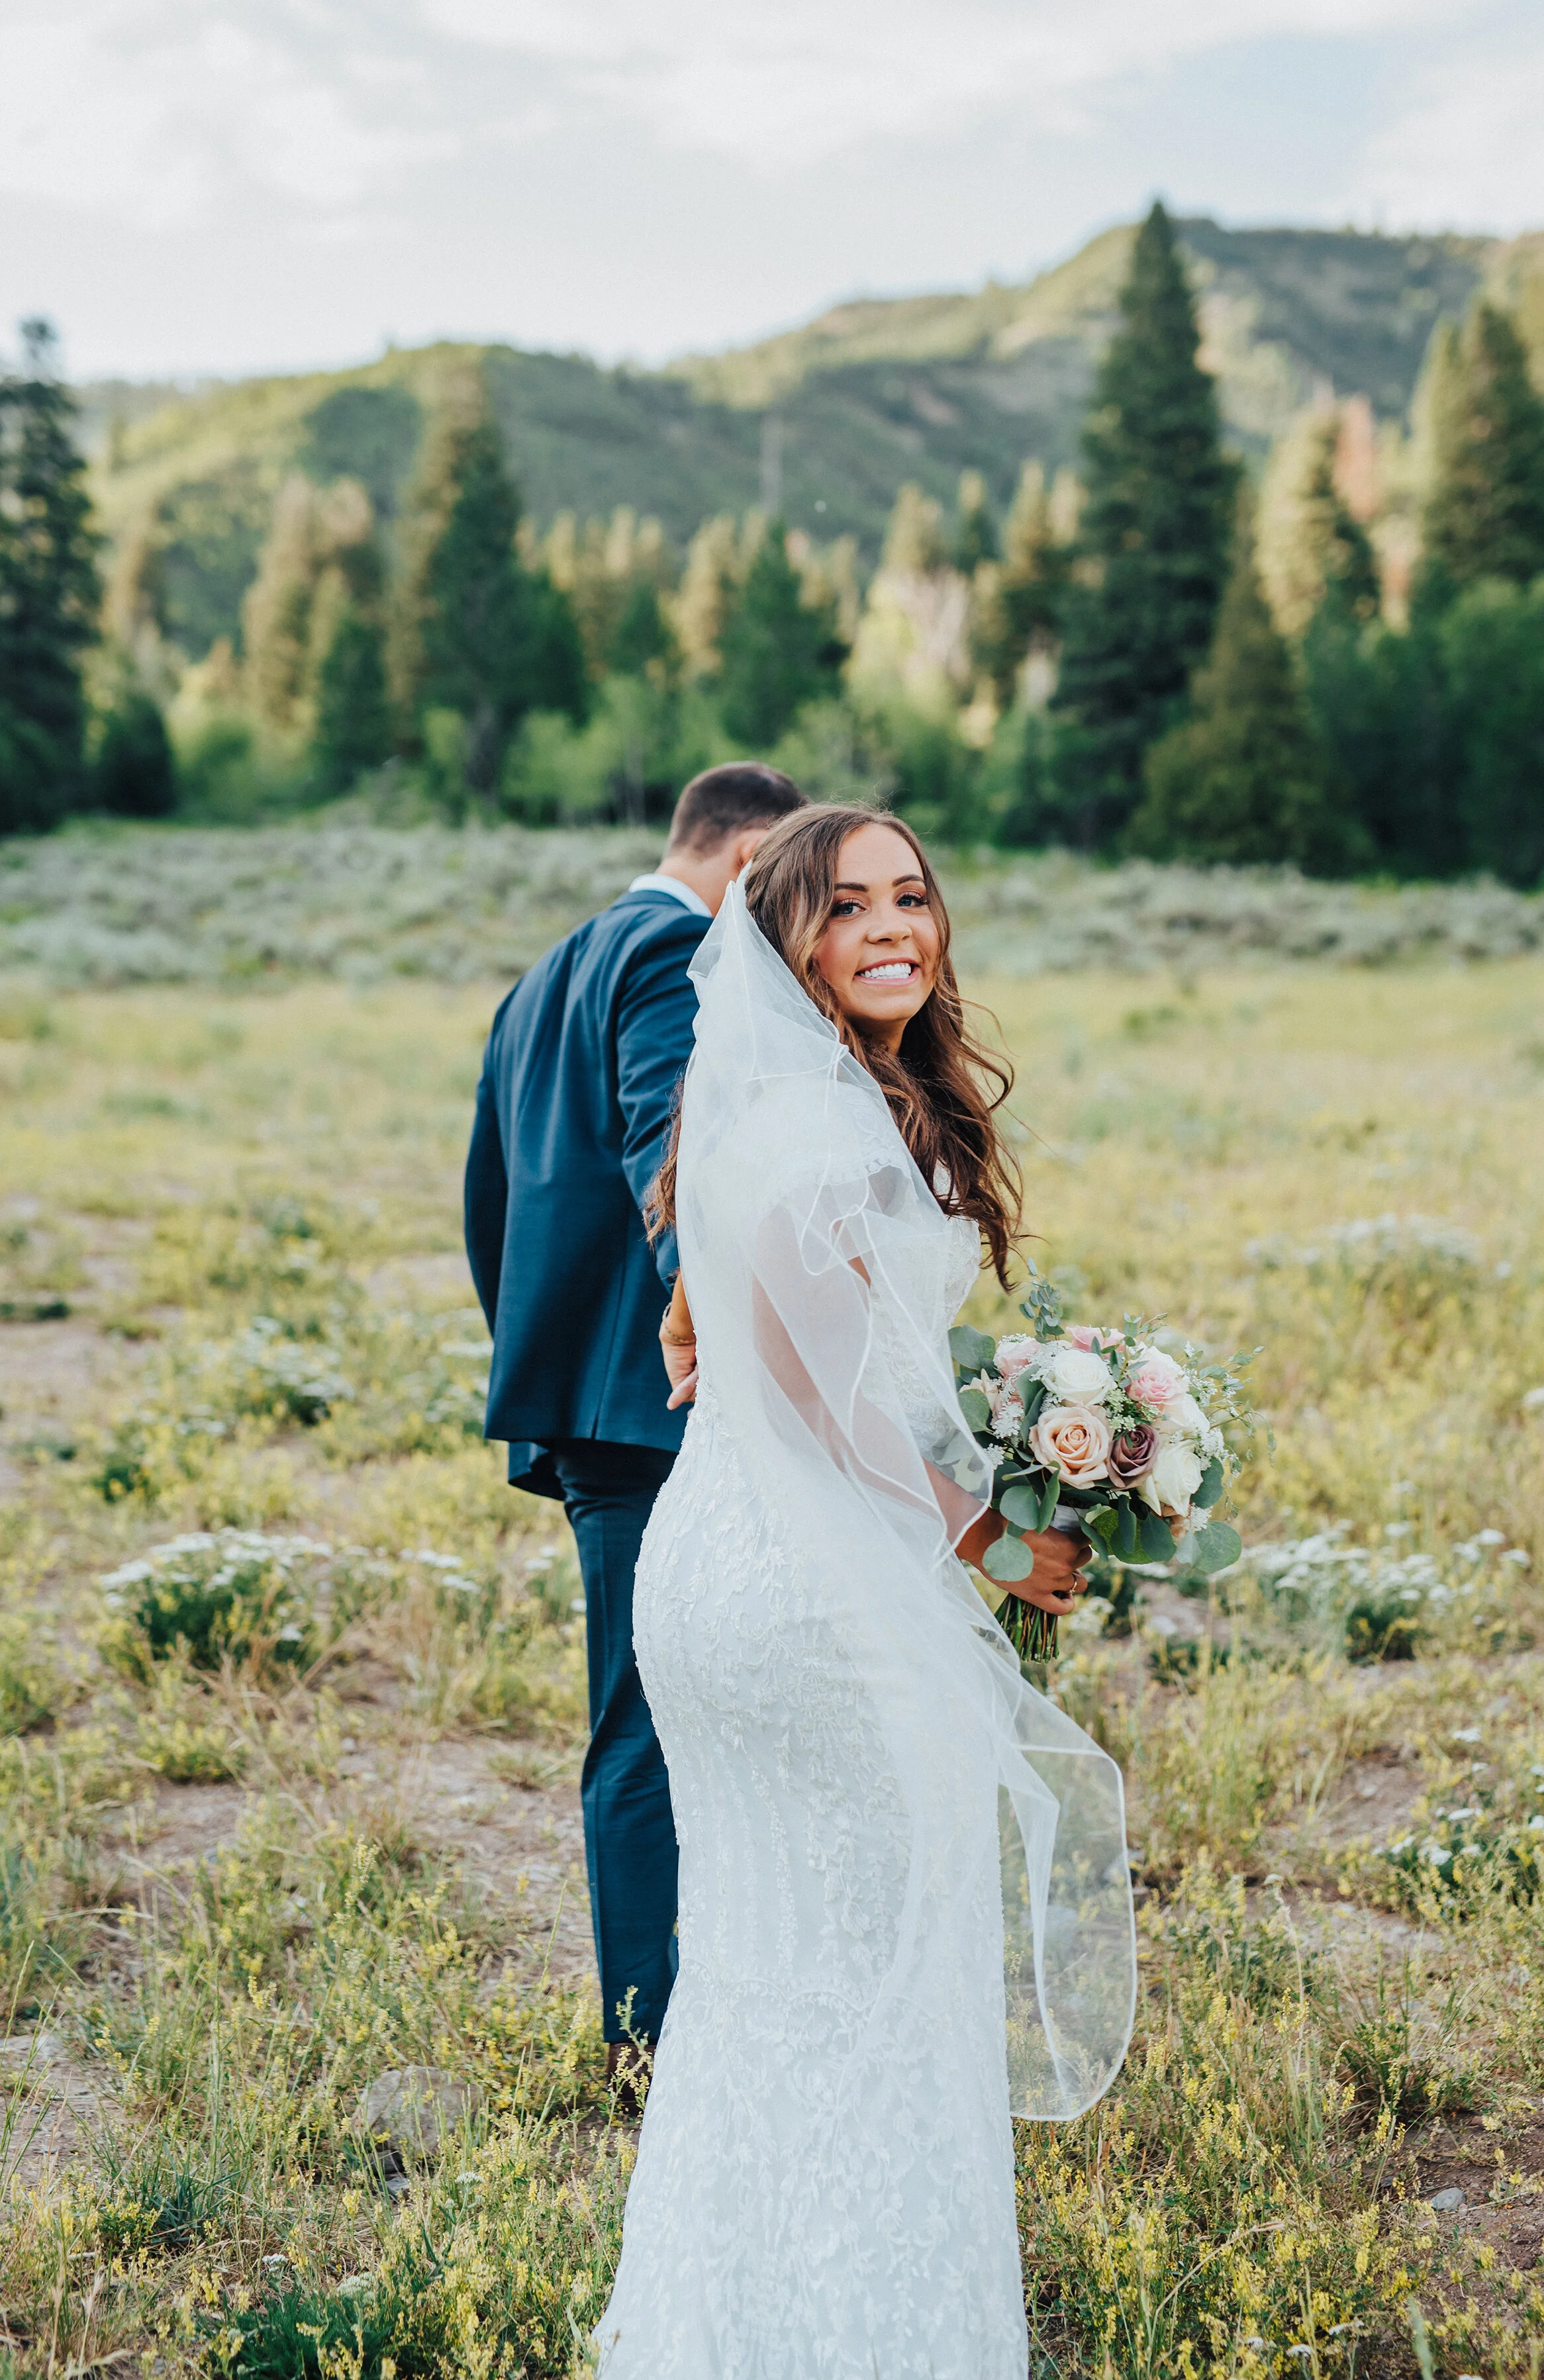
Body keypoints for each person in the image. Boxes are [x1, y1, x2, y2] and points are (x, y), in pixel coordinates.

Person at [596, 805, 1135, 2378]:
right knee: (892, 1977)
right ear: (792, 942)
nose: (895, 926)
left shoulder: (773, 1104)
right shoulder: (828, 1129)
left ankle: (738, 2330)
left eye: (913, 896)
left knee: (772, 1972)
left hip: (714, 1575)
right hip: (813, 1592)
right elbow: (834, 1396)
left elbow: (730, 1304)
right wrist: (996, 1536)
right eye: (849, 907)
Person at [463, 763, 809, 2089]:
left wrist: (543, 1356)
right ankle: (647, 2040)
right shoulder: (675, 954)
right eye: (789, 884)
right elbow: (673, 1155)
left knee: (654, 1709)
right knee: (648, 1723)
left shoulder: (541, 974)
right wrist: (695, 1330)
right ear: (743, 856)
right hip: (668, 1406)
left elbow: (486, 1200)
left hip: (592, 1403)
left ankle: (677, 2012)